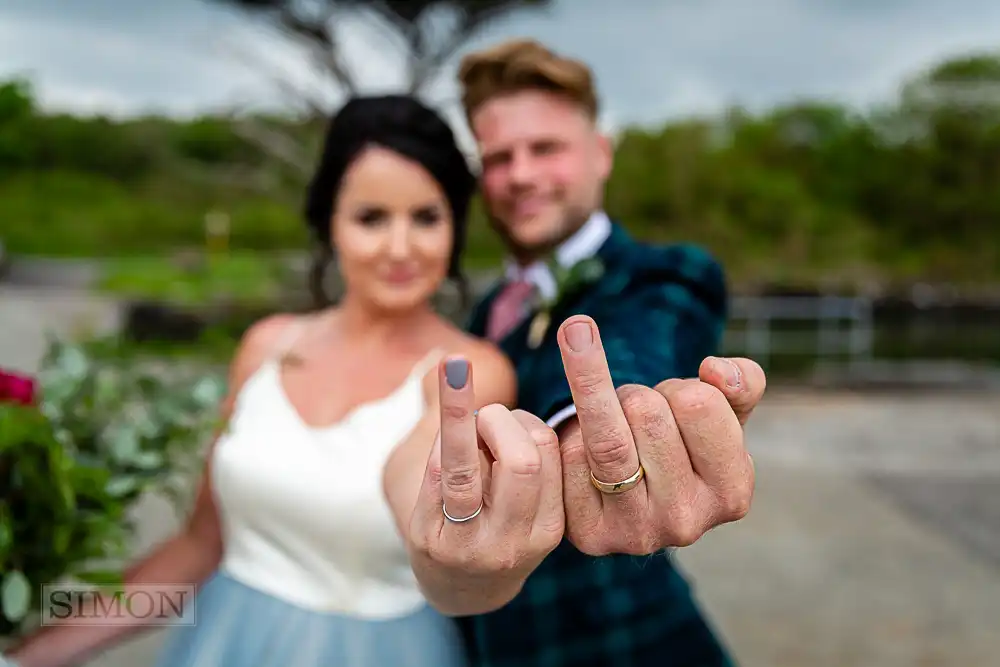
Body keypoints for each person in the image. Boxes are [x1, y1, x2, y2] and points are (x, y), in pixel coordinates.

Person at [1, 95, 523, 667]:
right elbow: (199, 548)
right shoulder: (266, 346)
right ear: (329, 224)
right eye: (371, 217)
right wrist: (35, 653)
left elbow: (420, 506)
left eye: (426, 217)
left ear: (455, 227)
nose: (400, 247)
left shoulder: (469, 374)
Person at [404, 39, 765, 666]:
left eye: (545, 148)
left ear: (600, 154)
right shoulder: (484, 312)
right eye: (498, 158)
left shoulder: (664, 276)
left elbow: (635, 354)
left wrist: (595, 429)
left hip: (622, 644)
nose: (520, 175)